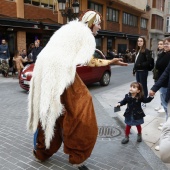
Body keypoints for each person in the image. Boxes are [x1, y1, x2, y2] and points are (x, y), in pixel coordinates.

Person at [27, 10, 127, 170]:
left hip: (47, 69)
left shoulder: (71, 29)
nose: (100, 27)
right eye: (99, 23)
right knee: (82, 105)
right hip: (58, 71)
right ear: (92, 23)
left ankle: (41, 152)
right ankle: (78, 155)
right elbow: (90, 60)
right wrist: (111, 61)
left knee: (55, 112)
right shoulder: (84, 33)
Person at [133, 36, 152, 108]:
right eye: (138, 41)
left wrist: (140, 64)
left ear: (144, 42)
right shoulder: (138, 50)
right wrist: (134, 70)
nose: (139, 42)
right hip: (138, 71)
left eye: (141, 41)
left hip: (143, 71)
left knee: (143, 86)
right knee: (139, 86)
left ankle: (144, 101)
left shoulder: (146, 51)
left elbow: (149, 61)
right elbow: (136, 62)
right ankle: (139, 99)